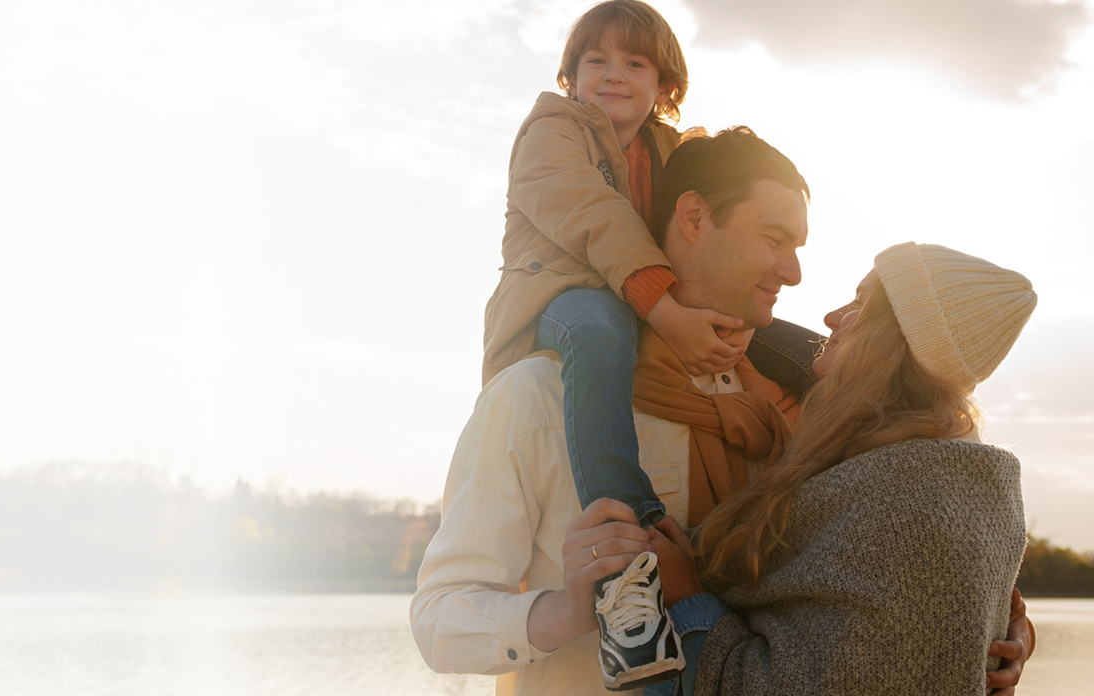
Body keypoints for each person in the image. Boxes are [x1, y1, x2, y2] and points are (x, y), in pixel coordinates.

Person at [411, 129, 1034, 696]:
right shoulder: (538, 400)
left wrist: (990, 631)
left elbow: (888, 565)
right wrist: (568, 609)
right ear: (693, 217)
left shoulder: (806, 413)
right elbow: (439, 619)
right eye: (774, 239)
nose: (794, 272)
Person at [480, 2, 756, 686]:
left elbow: (714, 200)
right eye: (594, 60)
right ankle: (625, 563)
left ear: (664, 83)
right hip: (560, 299)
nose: (612, 74)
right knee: (600, 327)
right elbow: (595, 218)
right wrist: (666, 312)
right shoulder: (551, 131)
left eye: (635, 62)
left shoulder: (668, 150)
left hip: (642, 296)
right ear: (569, 76)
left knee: (768, 338)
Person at [632, 243, 1038, 695]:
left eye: (860, 304)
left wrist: (688, 601)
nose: (830, 316)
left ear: (891, 340)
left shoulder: (908, 509)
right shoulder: (931, 480)